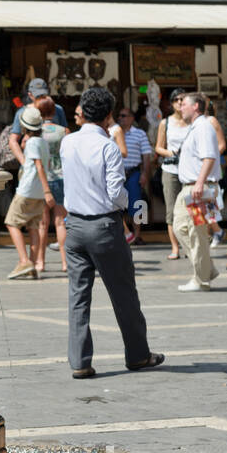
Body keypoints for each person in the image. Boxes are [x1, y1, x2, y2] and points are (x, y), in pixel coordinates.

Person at [60, 86, 163, 378]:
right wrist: (125, 206)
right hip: (104, 226)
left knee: (78, 297)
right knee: (123, 294)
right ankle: (138, 355)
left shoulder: (68, 143)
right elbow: (116, 191)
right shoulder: (107, 146)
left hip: (75, 226)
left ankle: (80, 361)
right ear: (108, 117)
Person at [173, 91, 222, 293]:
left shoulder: (203, 127)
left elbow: (209, 157)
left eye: (184, 103)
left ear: (195, 107)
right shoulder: (195, 128)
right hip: (190, 187)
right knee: (179, 228)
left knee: (196, 233)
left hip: (199, 187)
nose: (180, 106)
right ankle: (206, 268)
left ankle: (201, 279)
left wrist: (200, 183)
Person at [4, 105, 53, 279]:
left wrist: (47, 190)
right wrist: (45, 190)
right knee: (33, 226)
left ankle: (24, 260)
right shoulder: (43, 142)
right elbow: (44, 165)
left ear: (25, 128)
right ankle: (31, 263)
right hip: (38, 192)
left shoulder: (32, 143)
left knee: (11, 223)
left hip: (28, 189)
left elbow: (38, 165)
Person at [154, 89, 188, 260]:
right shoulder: (165, 123)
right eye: (176, 99)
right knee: (172, 210)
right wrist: (171, 153)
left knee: (191, 209)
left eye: (183, 99)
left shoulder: (193, 121)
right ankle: (175, 248)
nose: (180, 102)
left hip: (190, 170)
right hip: (171, 169)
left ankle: (189, 246)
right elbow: (158, 147)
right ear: (171, 103)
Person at [36, 96, 68, 274]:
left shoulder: (35, 132)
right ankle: (65, 262)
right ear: (54, 112)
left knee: (42, 223)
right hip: (61, 177)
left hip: (43, 179)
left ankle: (40, 262)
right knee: (61, 222)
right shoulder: (64, 131)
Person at [8, 78, 67, 167]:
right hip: (32, 161)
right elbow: (13, 140)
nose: (41, 98)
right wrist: (24, 163)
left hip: (56, 165)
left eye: (43, 94)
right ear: (30, 95)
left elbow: (65, 136)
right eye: (38, 95)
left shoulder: (58, 109)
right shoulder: (22, 113)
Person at [116, 106, 152, 244]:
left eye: (123, 116)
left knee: (138, 205)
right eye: (119, 116)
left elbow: (146, 156)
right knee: (118, 205)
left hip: (134, 173)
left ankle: (137, 235)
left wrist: (144, 174)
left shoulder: (140, 134)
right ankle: (124, 235)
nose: (120, 118)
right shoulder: (114, 132)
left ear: (131, 118)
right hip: (118, 174)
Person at [205, 98, 227, 248]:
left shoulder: (211, 121)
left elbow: (222, 145)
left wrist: (209, 158)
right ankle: (210, 234)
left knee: (207, 206)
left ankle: (217, 231)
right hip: (196, 172)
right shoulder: (194, 122)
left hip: (209, 172)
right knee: (199, 207)